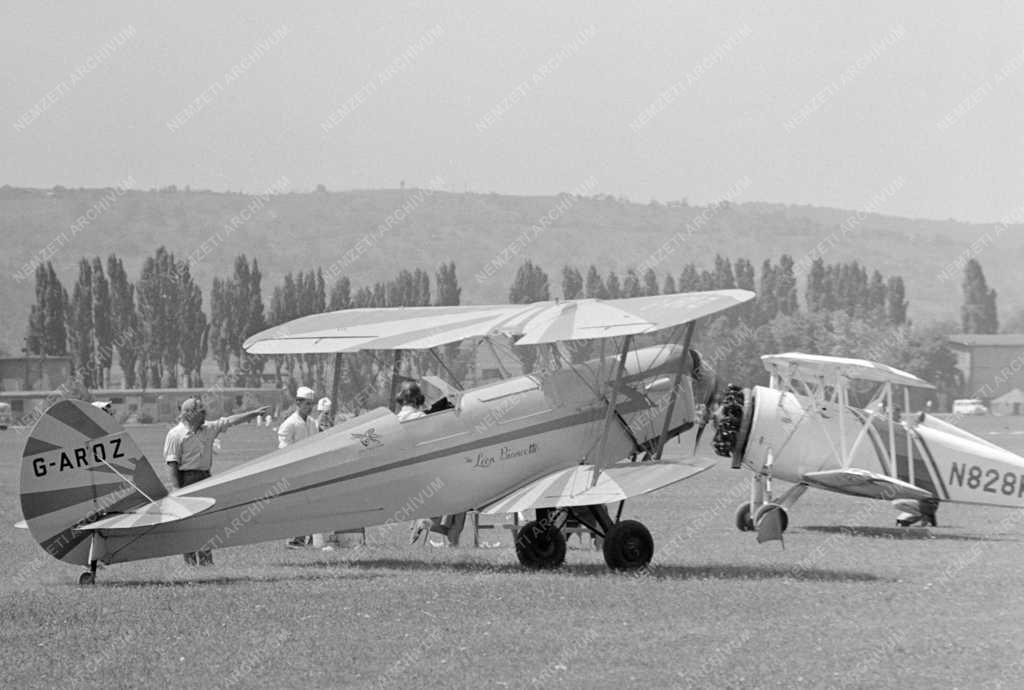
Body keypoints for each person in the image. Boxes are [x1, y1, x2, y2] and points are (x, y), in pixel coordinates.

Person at [164, 396, 268, 566]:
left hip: (205, 478)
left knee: (206, 523)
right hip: (186, 480)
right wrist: (176, 489)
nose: (205, 414)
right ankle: (191, 562)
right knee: (189, 524)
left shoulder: (209, 428)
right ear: (190, 414)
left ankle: (206, 561)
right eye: (201, 411)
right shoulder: (175, 434)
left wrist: (253, 413)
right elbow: (172, 462)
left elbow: (230, 421)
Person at [398, 381, 467, 547]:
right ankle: (447, 538)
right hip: (431, 473)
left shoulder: (398, 418)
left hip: (413, 475)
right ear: (418, 399)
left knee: (457, 504)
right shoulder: (420, 418)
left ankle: (437, 530)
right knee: (462, 500)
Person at [280, 386, 320, 548]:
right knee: (295, 506)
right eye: (307, 404)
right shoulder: (289, 424)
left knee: (310, 505)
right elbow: (284, 451)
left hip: (310, 470)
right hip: (294, 471)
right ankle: (293, 539)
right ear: (298, 403)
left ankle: (307, 538)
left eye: (311, 404)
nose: (310, 407)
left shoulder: (312, 423)